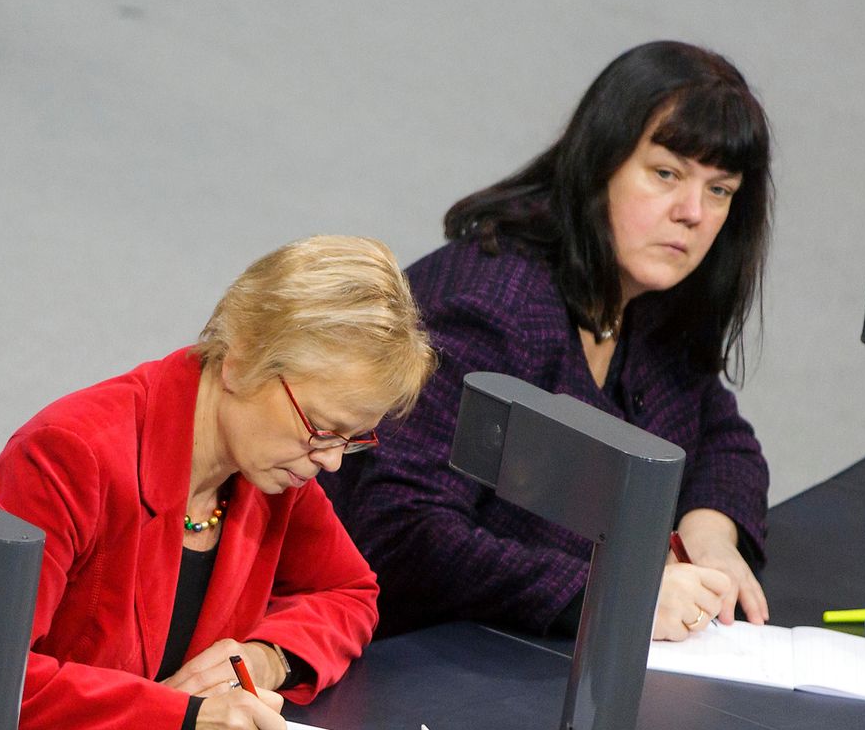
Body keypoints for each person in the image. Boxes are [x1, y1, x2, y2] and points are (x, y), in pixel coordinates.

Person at [0, 236, 434, 730]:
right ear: (240, 361)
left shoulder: (274, 471)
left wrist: (268, 658)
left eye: (351, 439)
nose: (332, 461)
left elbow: (349, 592)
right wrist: (181, 723)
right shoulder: (72, 454)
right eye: (322, 428)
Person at [324, 41, 775, 642]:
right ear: (600, 164)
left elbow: (721, 437)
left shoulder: (646, 299)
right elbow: (403, 533)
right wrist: (612, 594)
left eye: (720, 190)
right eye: (666, 174)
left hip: (511, 656)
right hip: (399, 664)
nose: (693, 212)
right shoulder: (493, 307)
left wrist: (710, 534)